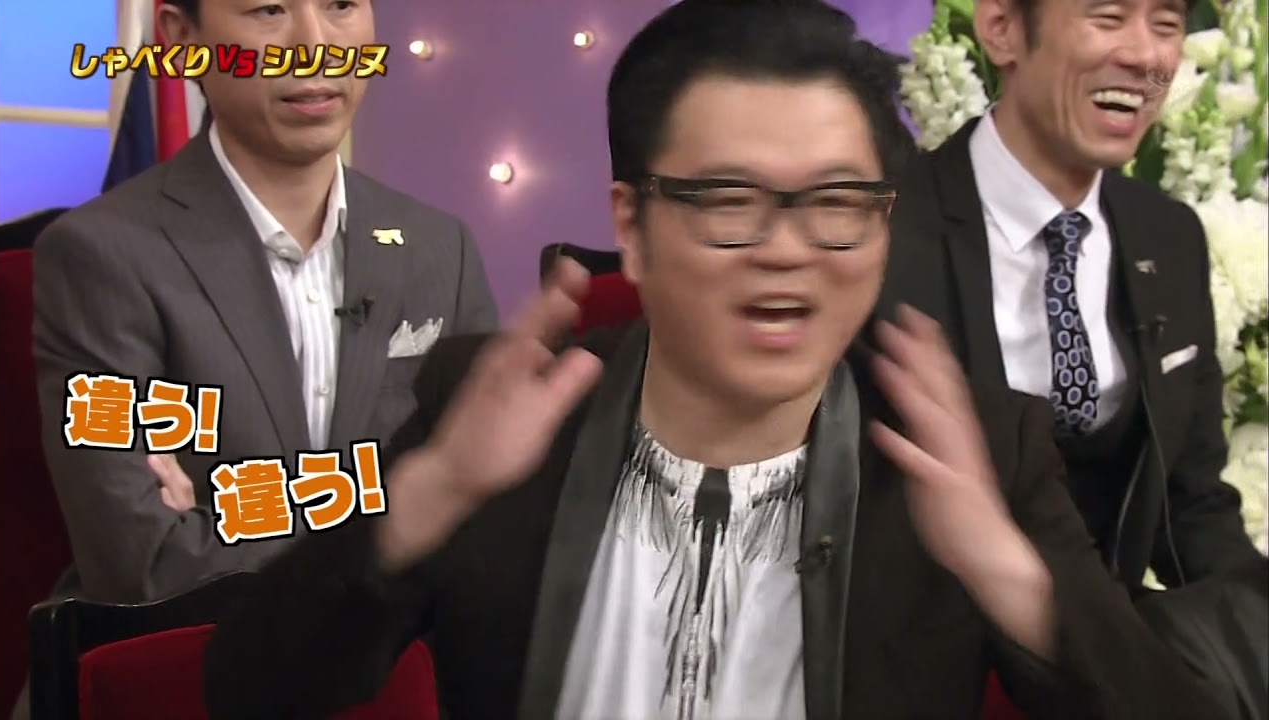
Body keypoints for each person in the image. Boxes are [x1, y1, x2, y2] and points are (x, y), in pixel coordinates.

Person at [202, 1, 1219, 718]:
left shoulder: (974, 450)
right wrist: (432, 496)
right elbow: (247, 688)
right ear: (631, 225)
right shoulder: (494, 414)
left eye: (836, 204)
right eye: (729, 201)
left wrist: (1002, 566)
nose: (786, 249)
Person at [31, 0, 498, 607]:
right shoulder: (101, 257)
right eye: (270, 9)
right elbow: (147, 563)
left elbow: (491, 521)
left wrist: (231, 517)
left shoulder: (440, 248)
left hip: (401, 658)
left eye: (341, 5)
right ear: (181, 37)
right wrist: (402, 519)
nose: (315, 46)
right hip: (195, 657)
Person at [881, 0, 1266, 715]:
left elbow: (1193, 508)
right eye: (1108, 15)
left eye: (1166, 24)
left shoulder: (1168, 235)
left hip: (1110, 676)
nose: (1145, 56)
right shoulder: (887, 232)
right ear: (1001, 28)